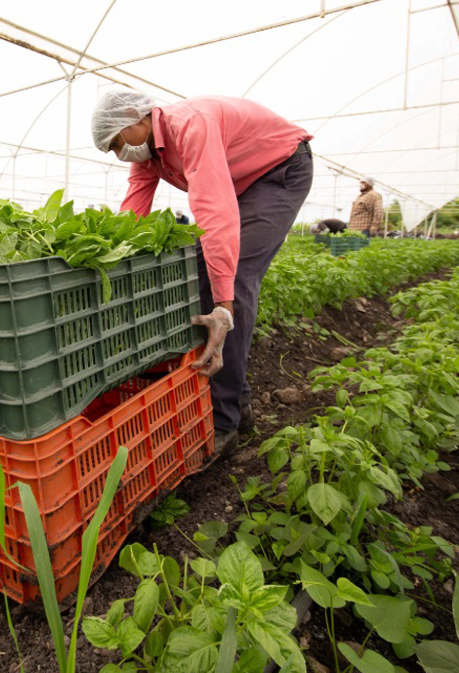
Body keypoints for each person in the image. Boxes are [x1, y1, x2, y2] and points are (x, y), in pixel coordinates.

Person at [92, 91, 313, 460]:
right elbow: (133, 211)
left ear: (136, 117)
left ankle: (223, 424)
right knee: (195, 271)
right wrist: (112, 254)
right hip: (241, 183)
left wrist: (223, 307)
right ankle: (239, 404)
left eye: (117, 143)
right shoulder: (148, 155)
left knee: (233, 276)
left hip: (279, 172)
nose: (120, 154)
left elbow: (213, 209)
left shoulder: (191, 125)